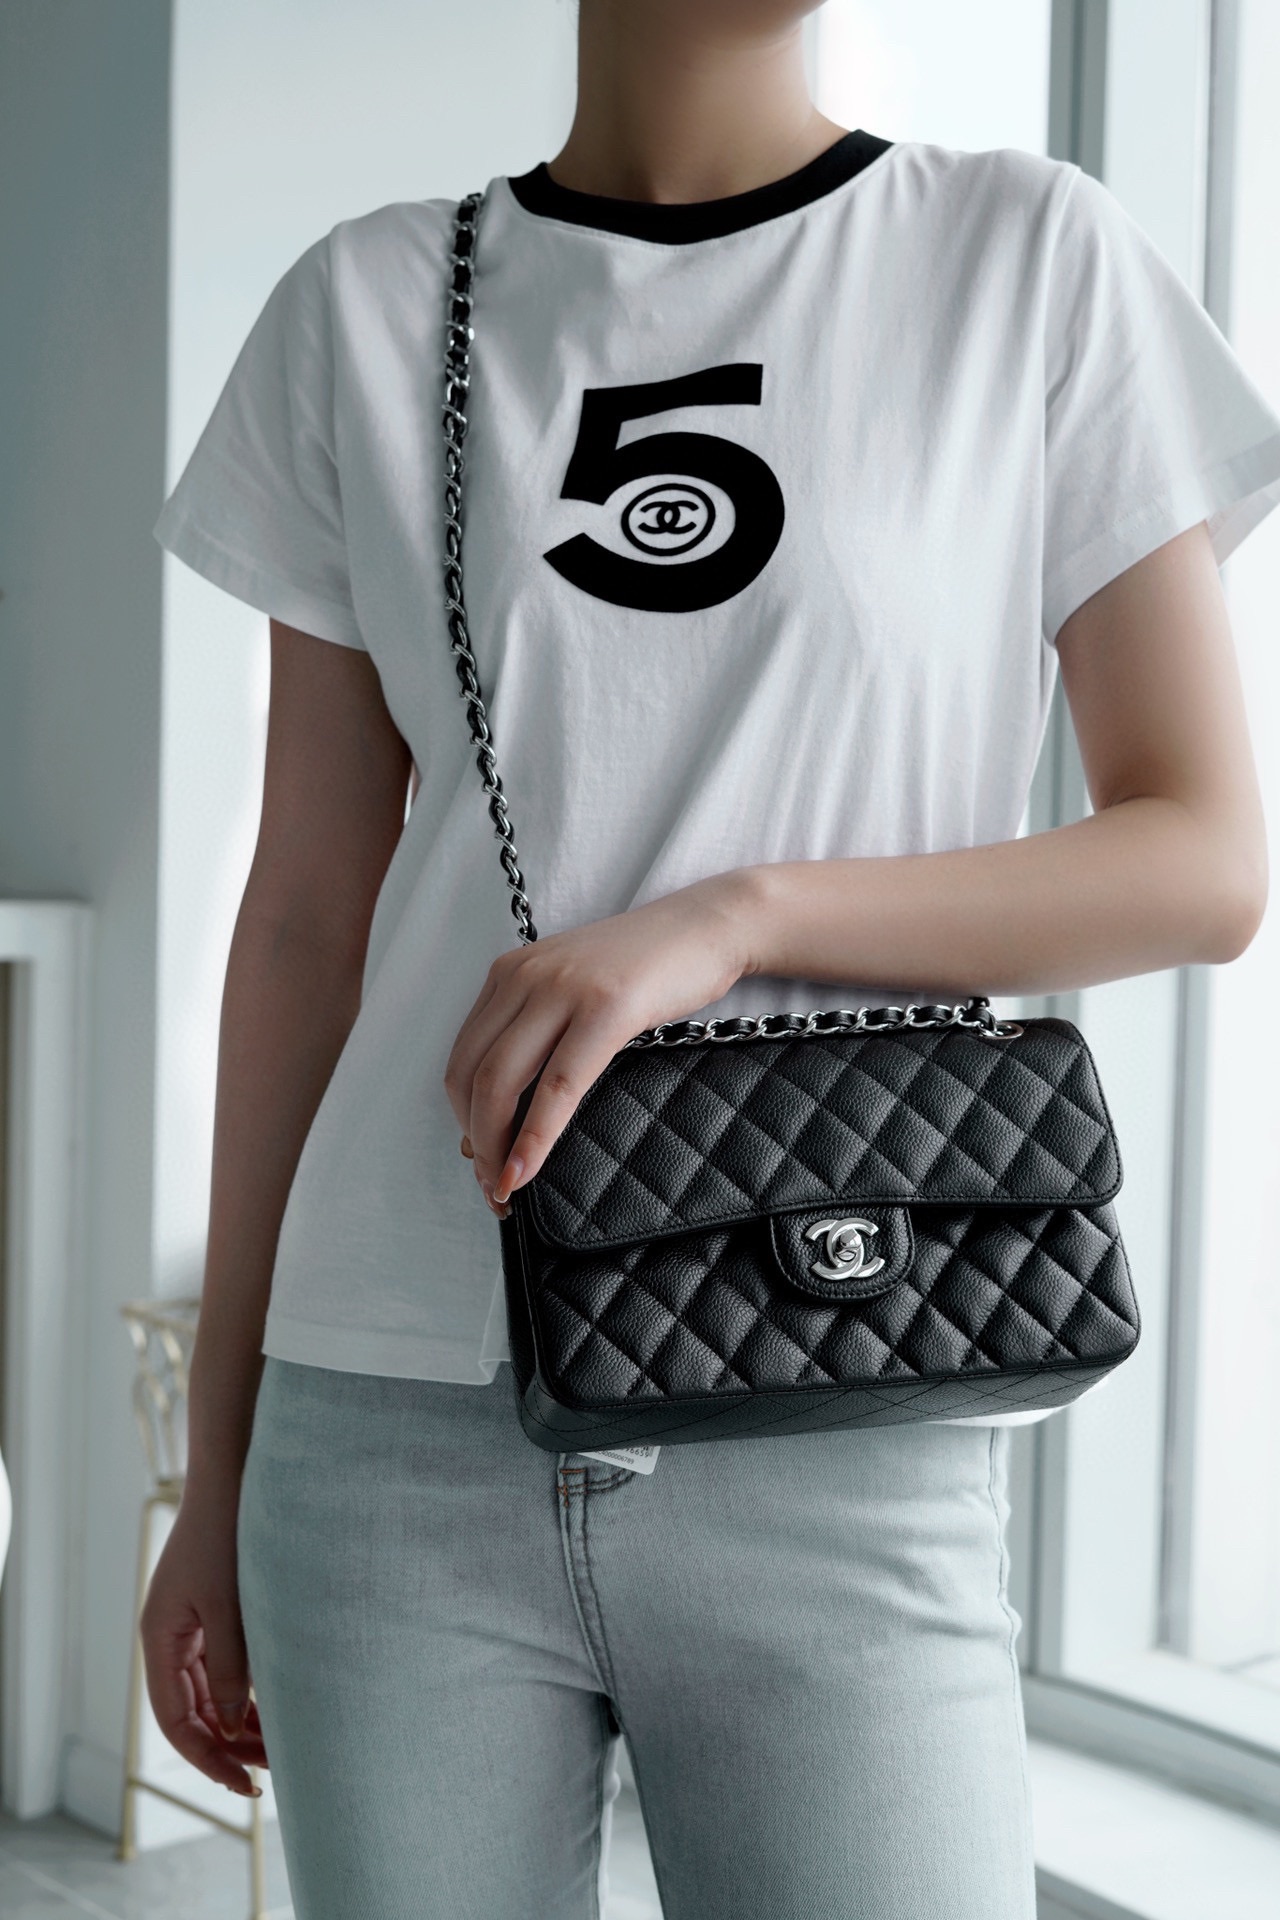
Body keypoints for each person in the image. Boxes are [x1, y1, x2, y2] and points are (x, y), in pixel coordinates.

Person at [141, 3, 1280, 1915]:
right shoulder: (367, 305)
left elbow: (1203, 860)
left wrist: (736, 918)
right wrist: (220, 1462)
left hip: (842, 1378)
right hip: (394, 1413)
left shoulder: (1025, 258)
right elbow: (305, 925)